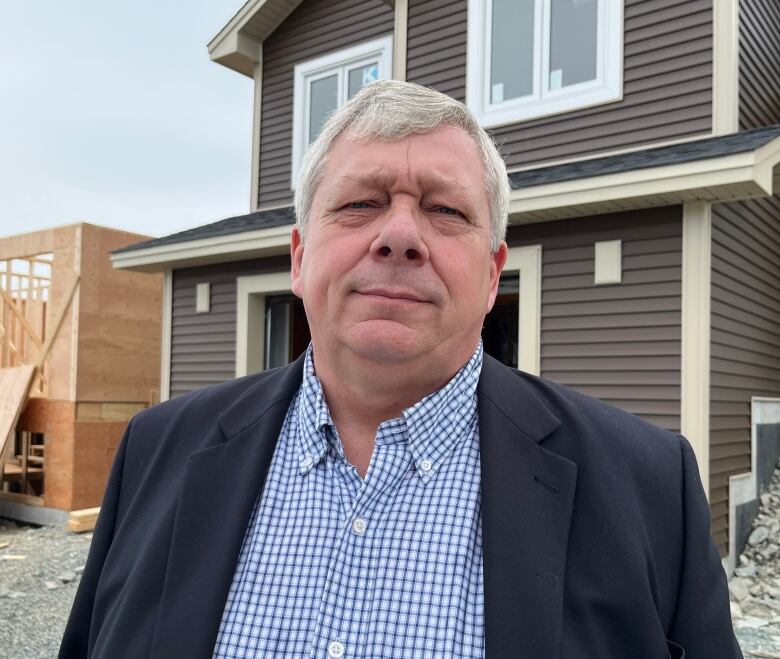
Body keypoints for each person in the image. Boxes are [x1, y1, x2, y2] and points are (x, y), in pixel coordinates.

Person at [59, 80, 742, 659]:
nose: (401, 235)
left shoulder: (649, 486)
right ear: (299, 258)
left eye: (445, 210)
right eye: (361, 203)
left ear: (491, 274)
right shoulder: (157, 449)